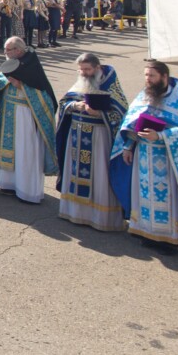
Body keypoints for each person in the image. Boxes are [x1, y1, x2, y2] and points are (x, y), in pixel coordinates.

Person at [109, 60, 178, 251]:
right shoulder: (146, 94)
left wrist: (160, 135)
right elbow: (133, 121)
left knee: (165, 199)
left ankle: (168, 240)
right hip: (143, 154)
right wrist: (128, 145)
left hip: (167, 159)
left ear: (164, 77)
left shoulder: (177, 98)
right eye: (146, 75)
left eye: (152, 76)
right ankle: (146, 232)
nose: (148, 80)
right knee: (144, 195)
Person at [54, 53, 129, 231]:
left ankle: (100, 218)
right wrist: (74, 106)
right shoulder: (81, 81)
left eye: (87, 69)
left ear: (97, 67)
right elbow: (65, 101)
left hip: (99, 137)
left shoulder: (110, 84)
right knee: (75, 173)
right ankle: (75, 213)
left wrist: (101, 114)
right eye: (81, 69)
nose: (84, 73)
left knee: (99, 175)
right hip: (77, 135)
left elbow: (122, 113)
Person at [0, 37, 58, 203]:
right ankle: (8, 183)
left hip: (26, 118)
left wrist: (21, 85)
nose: (5, 53)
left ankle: (27, 190)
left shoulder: (31, 67)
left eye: (8, 50)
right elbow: (1, 83)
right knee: (10, 149)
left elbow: (45, 97)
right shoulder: (10, 64)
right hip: (9, 113)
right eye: (5, 50)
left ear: (18, 50)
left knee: (25, 151)